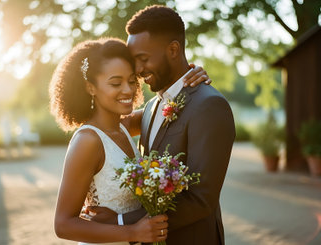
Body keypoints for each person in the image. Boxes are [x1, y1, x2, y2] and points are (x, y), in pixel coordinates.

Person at [88, 5, 236, 245]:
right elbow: (105, 126)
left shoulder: (210, 106)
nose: (137, 70)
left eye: (143, 59)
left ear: (174, 49)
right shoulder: (150, 108)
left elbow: (201, 200)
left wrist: (123, 222)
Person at [50, 38, 210, 244]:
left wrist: (190, 76)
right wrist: (133, 233)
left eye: (132, 81)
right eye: (116, 83)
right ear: (90, 87)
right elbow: (63, 224)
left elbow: (169, 106)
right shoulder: (88, 141)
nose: (128, 90)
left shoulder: (124, 126)